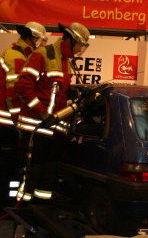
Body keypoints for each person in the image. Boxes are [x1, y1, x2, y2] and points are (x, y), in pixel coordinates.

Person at [14, 22, 90, 202]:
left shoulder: (66, 61)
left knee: (49, 171)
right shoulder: (43, 54)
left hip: (54, 130)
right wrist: (42, 113)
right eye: (80, 44)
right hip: (37, 127)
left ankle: (42, 211)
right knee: (33, 170)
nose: (80, 49)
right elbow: (23, 87)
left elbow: (56, 96)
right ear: (71, 40)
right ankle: (24, 212)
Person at [0, 22, 47, 206]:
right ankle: (6, 204)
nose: (42, 44)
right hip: (6, 125)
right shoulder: (17, 57)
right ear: (34, 38)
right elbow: (14, 96)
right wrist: (18, 124)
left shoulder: (19, 53)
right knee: (7, 168)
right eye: (41, 40)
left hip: (7, 123)